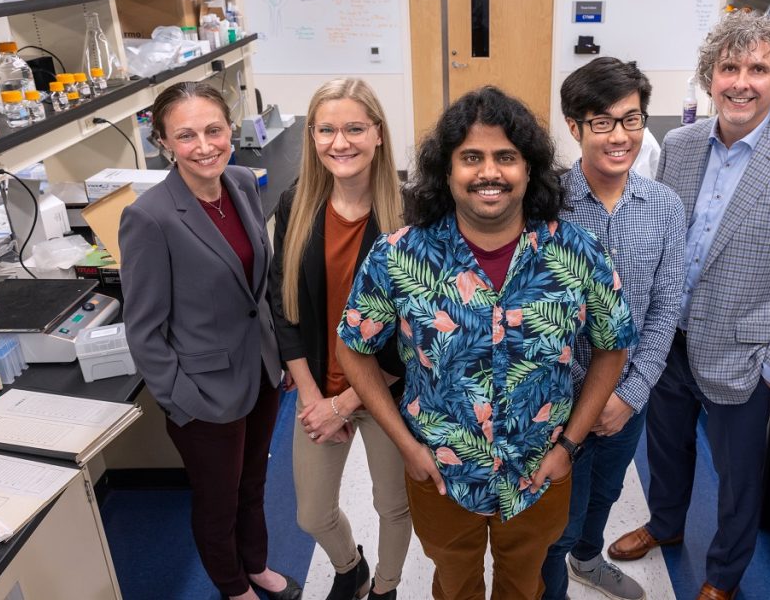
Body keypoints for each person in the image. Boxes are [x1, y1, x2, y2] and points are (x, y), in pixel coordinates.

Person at [334, 86, 638, 600]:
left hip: (540, 470)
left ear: (529, 169)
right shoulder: (398, 256)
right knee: (454, 585)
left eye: (506, 157)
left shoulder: (577, 252)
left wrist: (569, 445)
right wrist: (407, 447)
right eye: (471, 157)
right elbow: (352, 348)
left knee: (526, 585)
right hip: (440, 472)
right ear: (446, 170)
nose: (489, 172)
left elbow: (613, 346)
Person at [608, 12, 770, 600]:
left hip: (745, 356)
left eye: (758, 69)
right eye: (729, 67)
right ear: (709, 77)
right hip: (669, 340)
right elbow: (666, 239)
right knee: (665, 449)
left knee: (739, 481)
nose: (742, 82)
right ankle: (665, 525)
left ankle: (723, 575)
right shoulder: (682, 146)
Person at [119, 81, 301, 600]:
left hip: (261, 370)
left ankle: (256, 564)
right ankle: (232, 586)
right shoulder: (150, 217)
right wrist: (182, 402)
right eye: (186, 135)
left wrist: (281, 354)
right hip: (203, 392)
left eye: (214, 130)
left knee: (253, 483)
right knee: (217, 498)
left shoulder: (241, 182)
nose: (204, 146)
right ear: (162, 142)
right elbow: (144, 327)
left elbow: (259, 287)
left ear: (230, 128)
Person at [541, 57, 686, 600]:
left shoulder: (665, 208)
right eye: (601, 122)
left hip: (628, 398)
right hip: (556, 401)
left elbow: (666, 306)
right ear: (574, 127)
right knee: (558, 513)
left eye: (631, 119)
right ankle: (553, 580)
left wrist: (629, 392)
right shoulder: (546, 204)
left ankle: (587, 560)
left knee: (605, 491)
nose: (619, 135)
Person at [268, 78, 411, 600]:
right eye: (326, 129)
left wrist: (350, 402)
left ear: (377, 133)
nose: (340, 142)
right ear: (311, 135)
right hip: (320, 389)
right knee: (311, 513)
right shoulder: (296, 204)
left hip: (390, 390)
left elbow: (415, 336)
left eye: (354, 128)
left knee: (393, 506)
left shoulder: (412, 213)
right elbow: (282, 305)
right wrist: (313, 398)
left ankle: (385, 589)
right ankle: (350, 567)